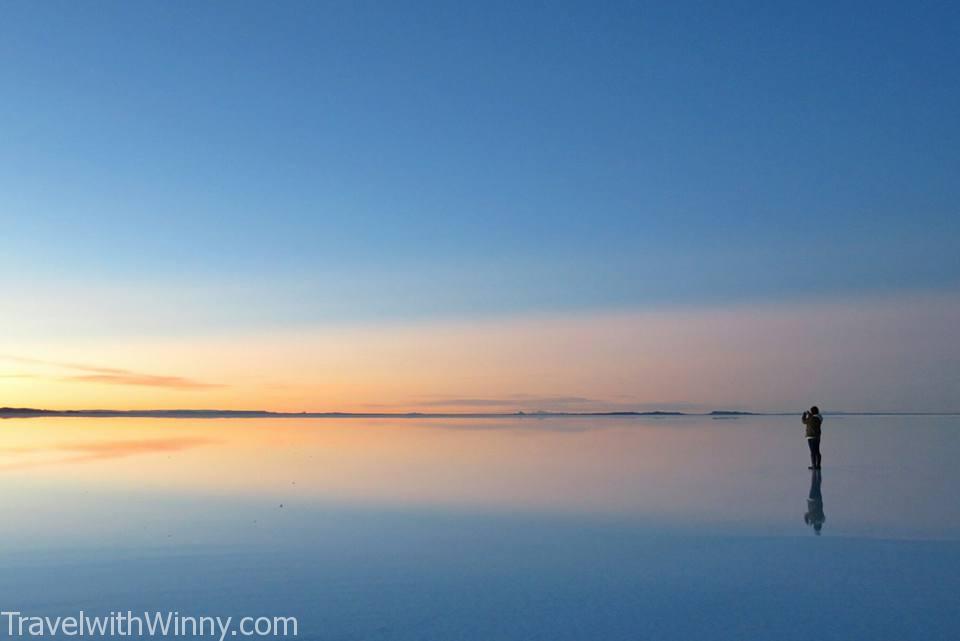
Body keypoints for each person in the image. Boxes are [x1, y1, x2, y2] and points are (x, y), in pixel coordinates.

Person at [804, 468, 826, 535]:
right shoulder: (813, 519)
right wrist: (807, 522)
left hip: (818, 500)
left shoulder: (822, 519)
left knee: (817, 484)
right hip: (812, 500)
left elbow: (807, 514)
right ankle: (815, 471)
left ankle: (817, 472)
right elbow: (806, 514)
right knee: (814, 483)